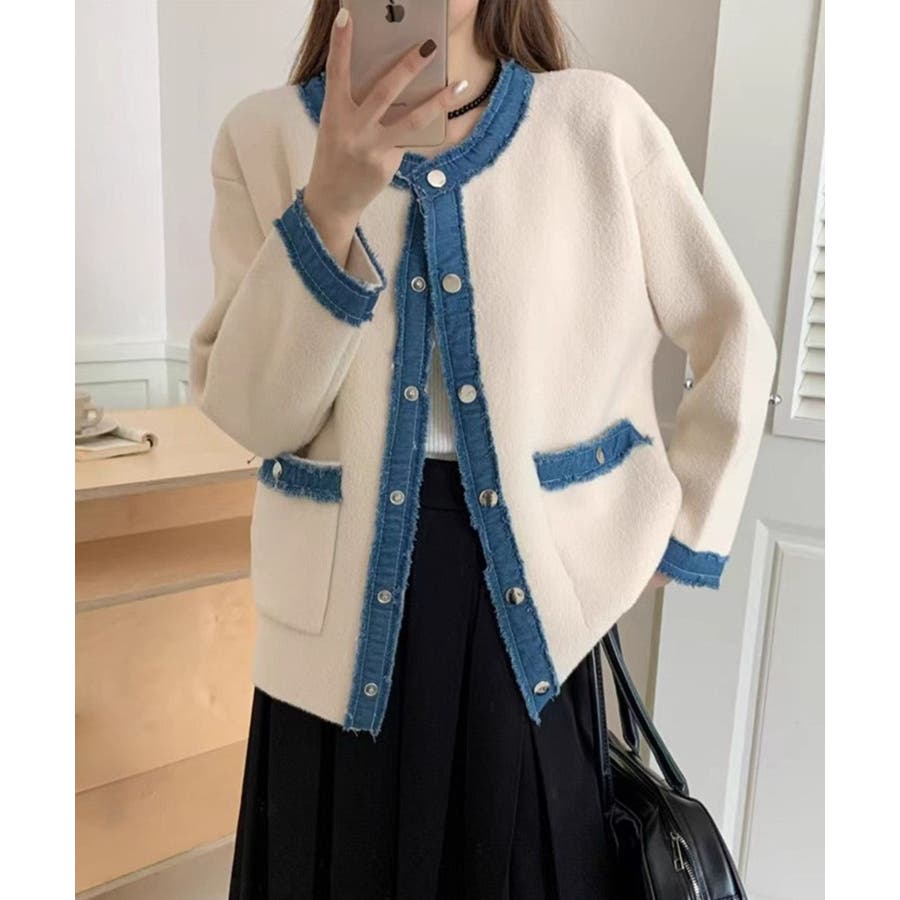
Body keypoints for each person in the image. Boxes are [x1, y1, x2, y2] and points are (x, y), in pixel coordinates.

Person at [189, 1, 778, 897]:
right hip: (333, 637)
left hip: (533, 612)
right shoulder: (261, 136)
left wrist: (685, 527)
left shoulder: (598, 123)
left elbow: (734, 332)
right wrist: (330, 205)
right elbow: (253, 415)